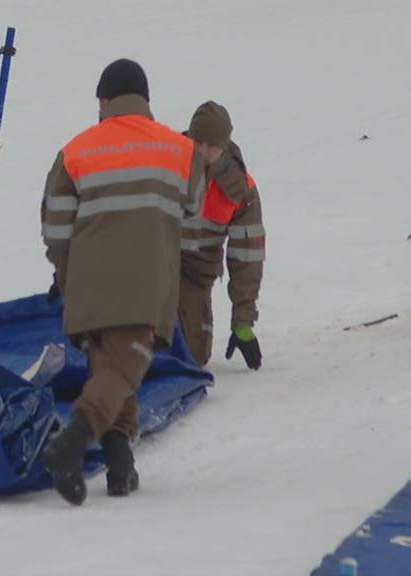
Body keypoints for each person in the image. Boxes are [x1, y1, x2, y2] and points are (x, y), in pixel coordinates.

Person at [40, 59, 205, 505]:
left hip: (88, 285)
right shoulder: (180, 150)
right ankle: (70, 444)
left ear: (104, 100)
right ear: (145, 100)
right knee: (123, 369)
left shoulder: (75, 151)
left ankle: (119, 463)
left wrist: (66, 274)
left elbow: (55, 227)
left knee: (110, 369)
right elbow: (193, 210)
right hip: (146, 283)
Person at [179, 101, 265, 370]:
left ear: (225, 145)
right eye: (198, 142)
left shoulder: (241, 190)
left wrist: (243, 322)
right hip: (151, 267)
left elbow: (247, 258)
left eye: (211, 145)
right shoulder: (165, 163)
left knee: (193, 357)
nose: (203, 151)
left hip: (195, 273)